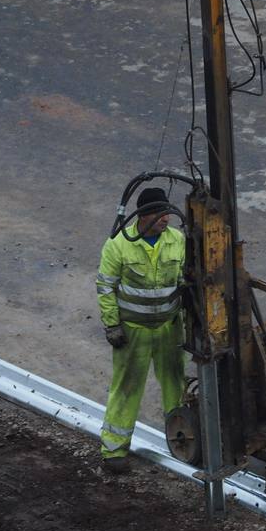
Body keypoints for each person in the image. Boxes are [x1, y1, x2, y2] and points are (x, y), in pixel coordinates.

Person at [95, 187, 186, 474]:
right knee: (127, 388)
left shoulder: (177, 240)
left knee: (176, 386)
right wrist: (112, 325)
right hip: (134, 332)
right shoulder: (119, 245)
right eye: (160, 214)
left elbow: (187, 281)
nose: (165, 220)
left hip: (169, 329)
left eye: (168, 214)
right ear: (143, 215)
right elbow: (105, 287)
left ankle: (183, 442)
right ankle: (114, 451)